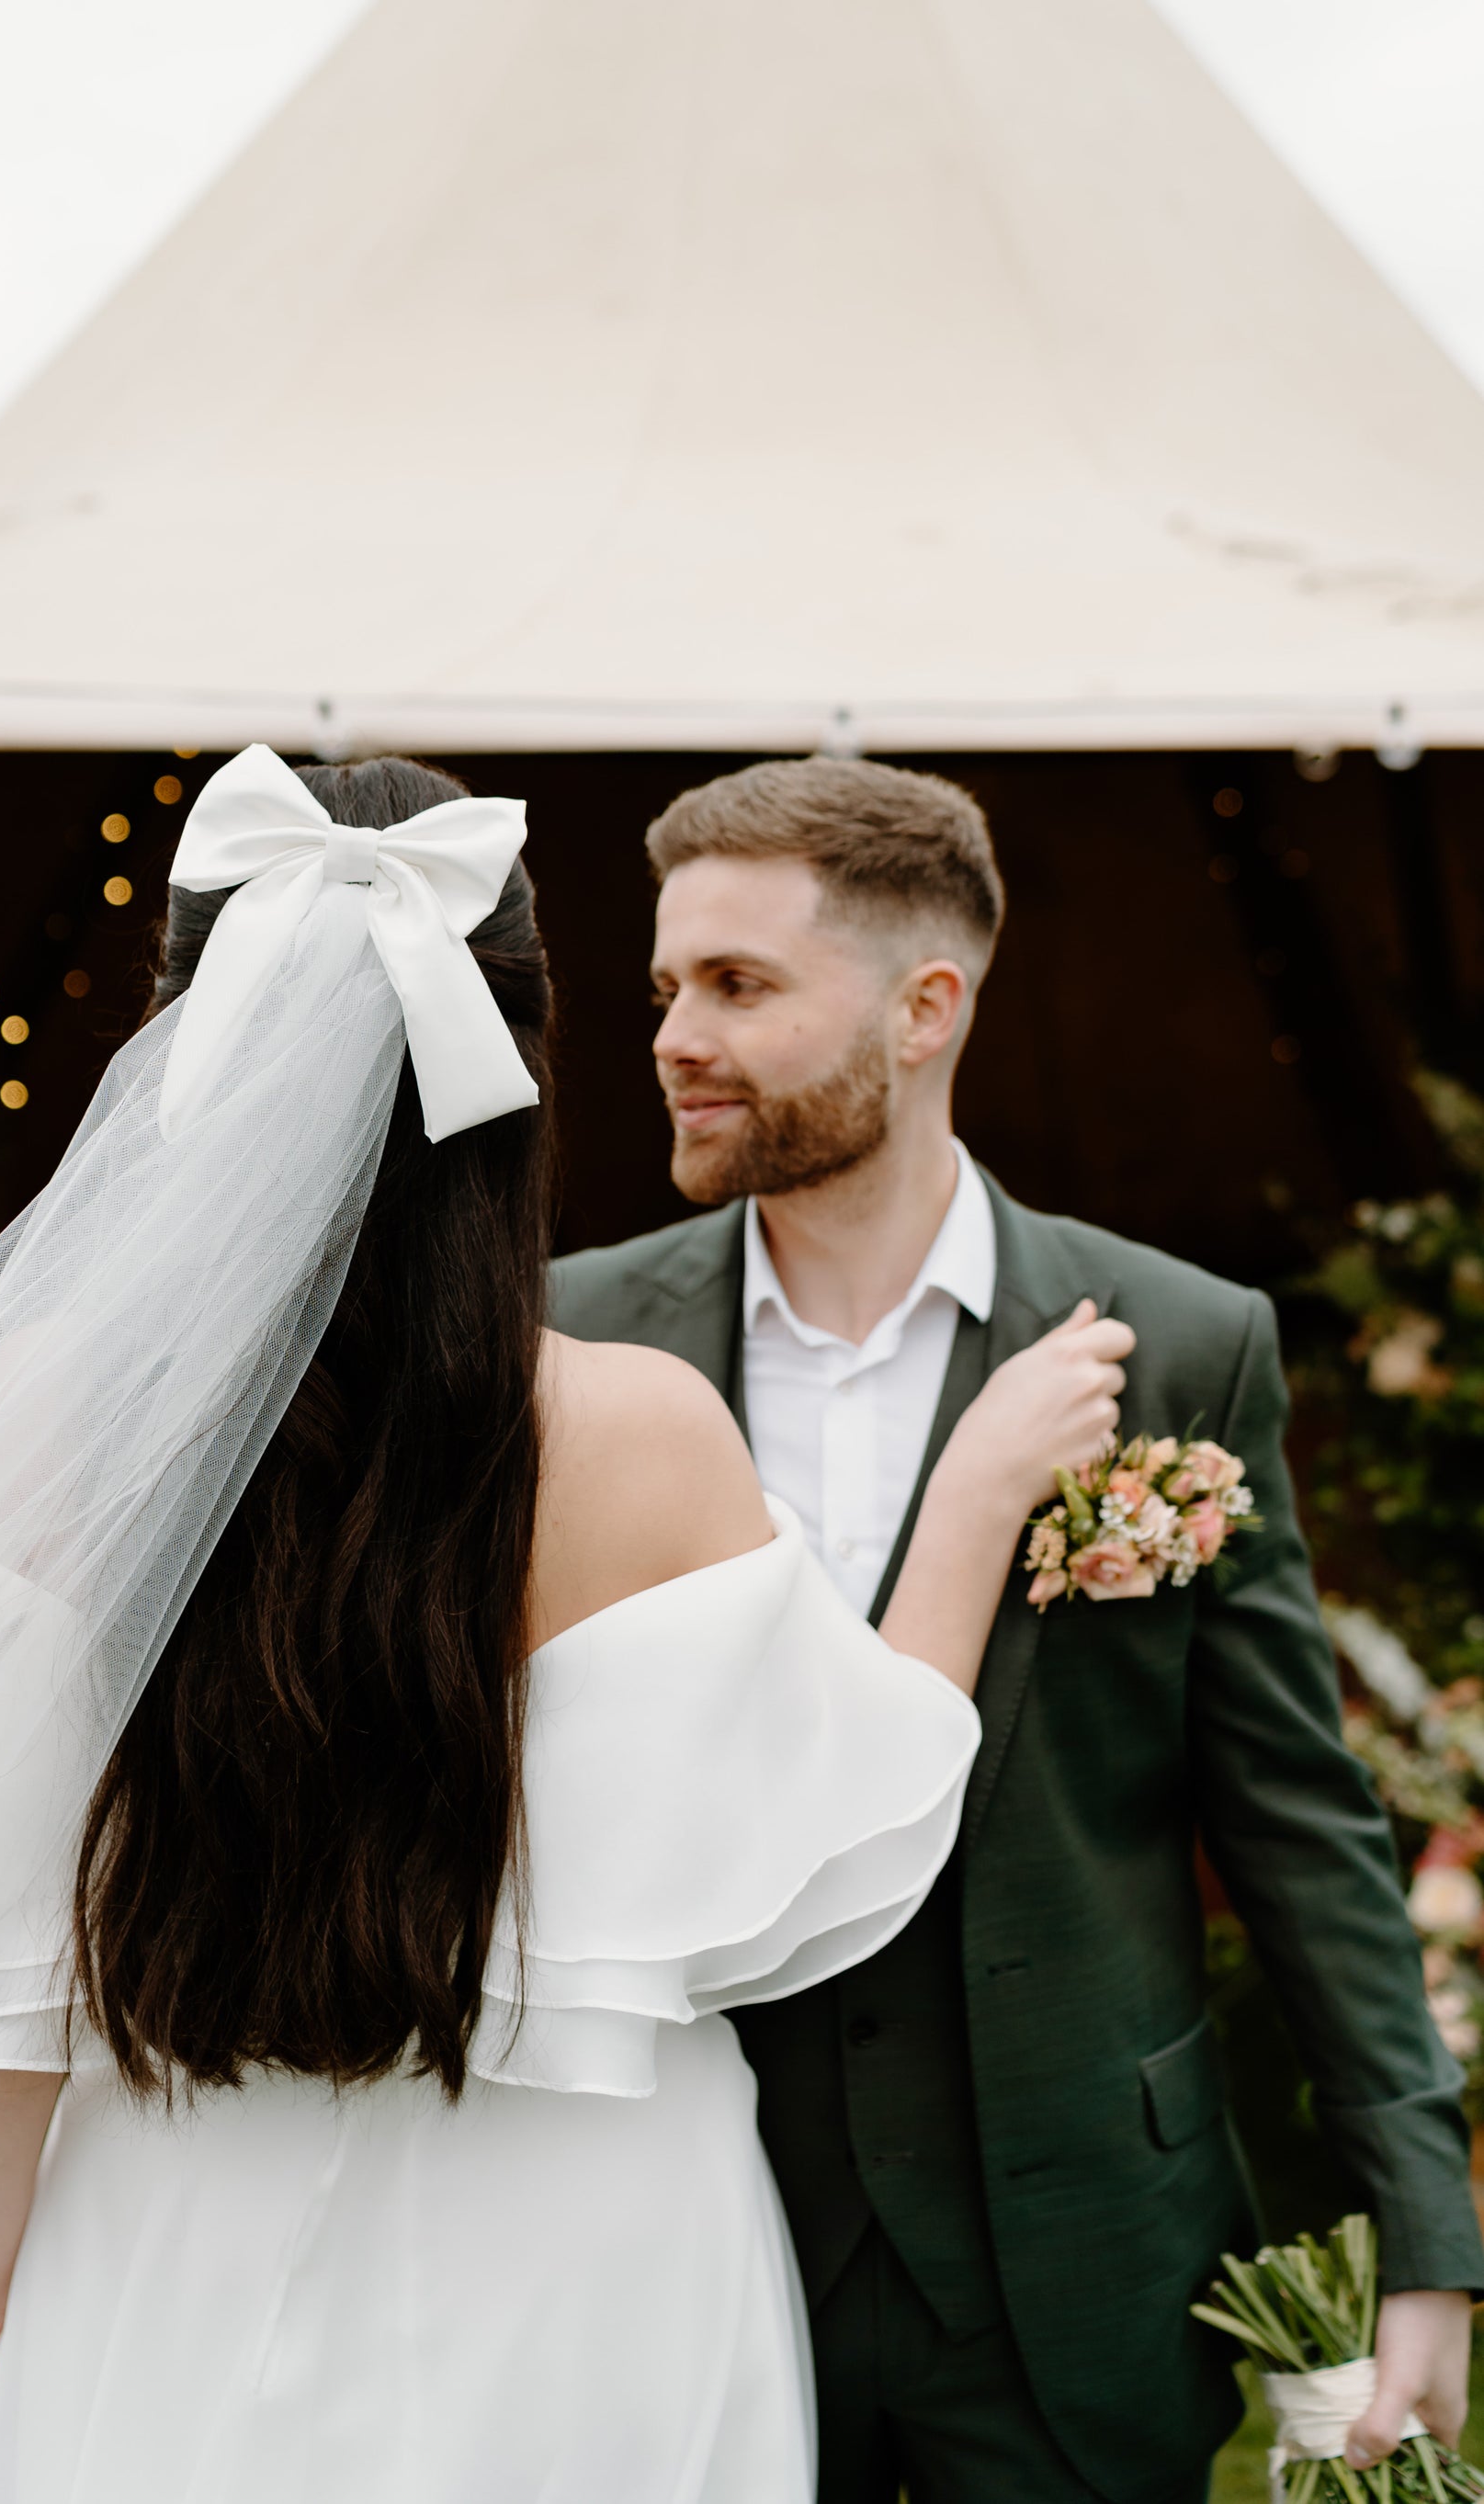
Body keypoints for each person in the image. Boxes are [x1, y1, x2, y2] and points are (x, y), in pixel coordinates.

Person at [0, 747, 1130, 2504]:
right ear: (515, 1065)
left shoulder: (38, 1430)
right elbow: (861, 1802)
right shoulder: (647, 1433)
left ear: (179, 1055)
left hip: (171, 2241)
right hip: (600, 2258)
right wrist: (977, 1502)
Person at [550, 755, 1484, 2504]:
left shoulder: (1178, 1345)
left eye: (738, 985)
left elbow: (1294, 1822)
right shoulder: (578, 1348)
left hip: (1075, 2251)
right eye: (667, 984)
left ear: (924, 1010)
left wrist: (1422, 2227)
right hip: (696, 2227)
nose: (674, 1032)